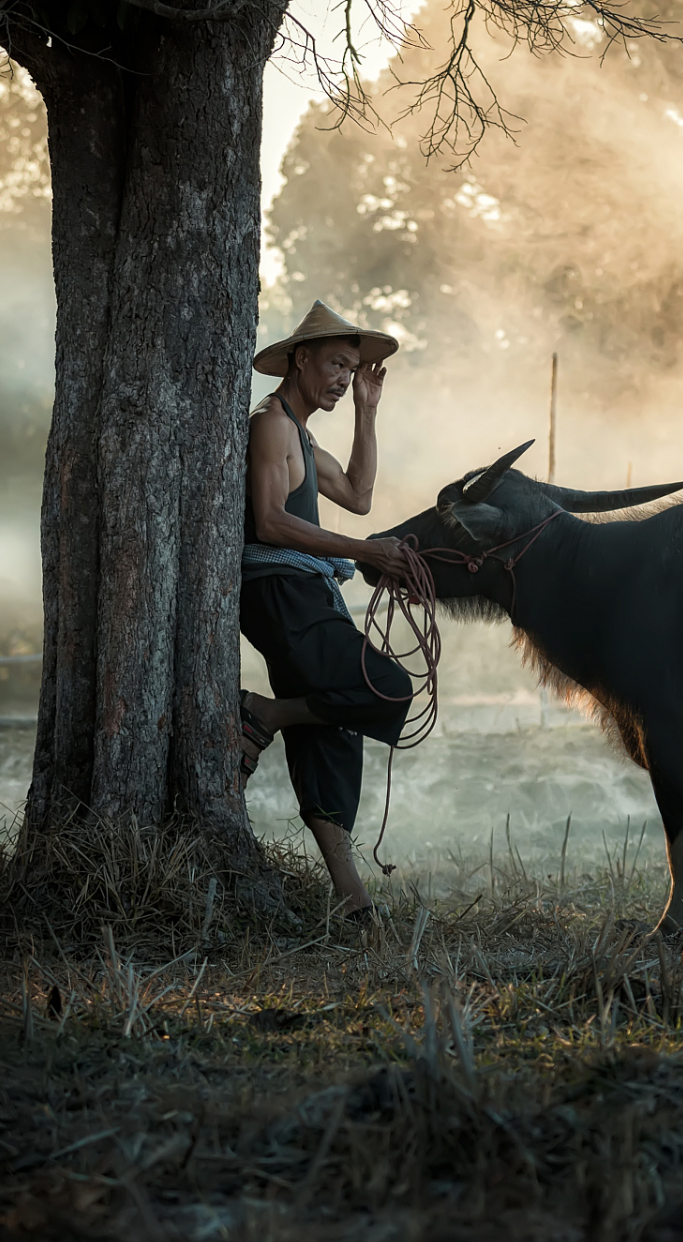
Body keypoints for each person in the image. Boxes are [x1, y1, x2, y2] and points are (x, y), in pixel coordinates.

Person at [238, 301, 414, 922]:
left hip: (303, 593)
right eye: (337, 363)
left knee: (330, 738)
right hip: (282, 593)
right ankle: (266, 712)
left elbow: (360, 496)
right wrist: (366, 555)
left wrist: (367, 409)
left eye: (353, 367)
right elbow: (269, 521)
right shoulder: (271, 427)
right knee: (386, 689)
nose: (344, 376)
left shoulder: (303, 435)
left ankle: (351, 902)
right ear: (299, 358)